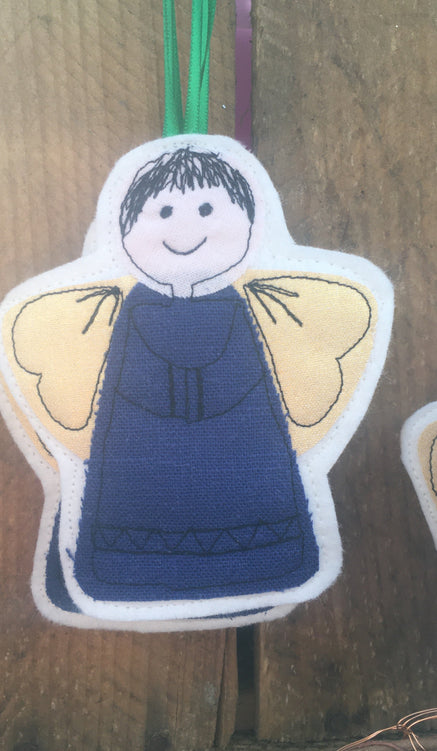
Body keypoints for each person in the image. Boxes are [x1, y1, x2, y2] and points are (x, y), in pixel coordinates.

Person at [72, 147, 320, 602]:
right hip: (143, 442)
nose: (184, 229)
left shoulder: (236, 306)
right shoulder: (134, 308)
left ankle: (258, 557)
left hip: (237, 439)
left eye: (207, 210)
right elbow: (119, 393)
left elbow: (253, 386)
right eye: (164, 212)